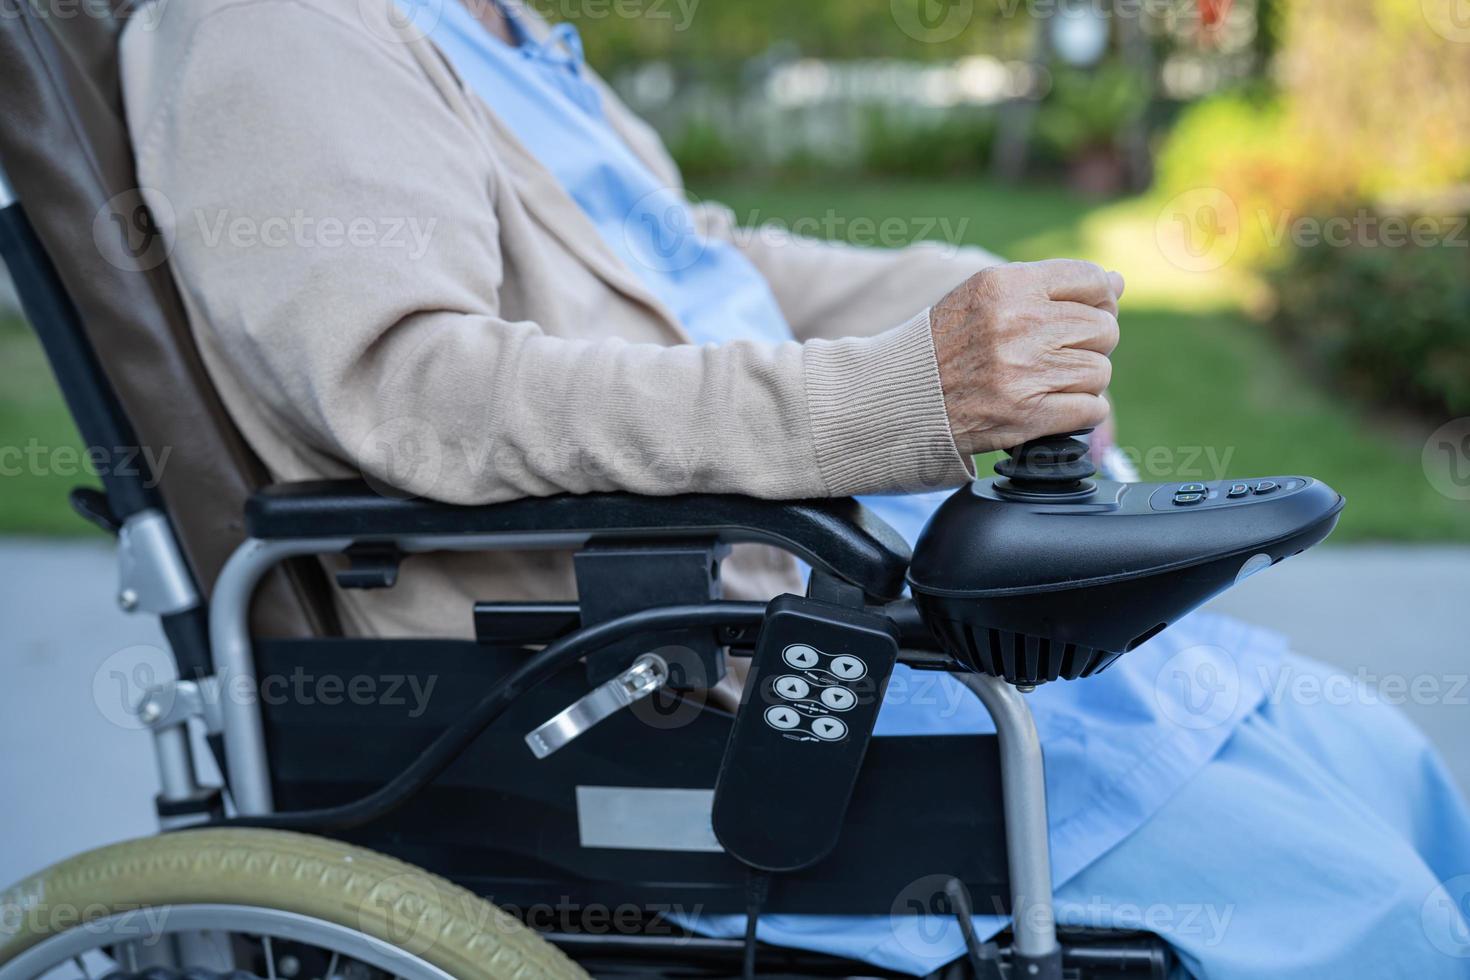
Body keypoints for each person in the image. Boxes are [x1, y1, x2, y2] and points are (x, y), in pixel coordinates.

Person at [118, 1, 1470, 975]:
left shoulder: (498, 26)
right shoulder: (274, 30)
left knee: (1366, 754)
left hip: (809, 582)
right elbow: (416, 392)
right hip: (640, 681)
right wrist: (897, 400)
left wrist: (960, 298)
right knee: (1342, 902)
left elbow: (699, 256)